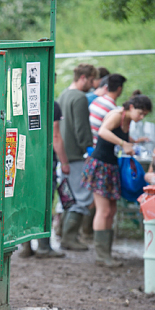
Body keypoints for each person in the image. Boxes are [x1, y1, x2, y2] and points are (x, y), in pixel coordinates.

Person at [81, 92, 152, 267]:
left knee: (111, 210)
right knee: (103, 210)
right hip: (101, 166)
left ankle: (107, 253)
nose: (141, 117)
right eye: (140, 113)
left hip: (112, 167)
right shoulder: (115, 115)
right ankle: (101, 256)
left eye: (145, 115)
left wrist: (134, 141)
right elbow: (103, 131)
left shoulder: (127, 120)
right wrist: (124, 144)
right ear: (131, 107)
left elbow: (120, 136)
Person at [20, 101, 70, 259]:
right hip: (44, 159)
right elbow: (55, 136)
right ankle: (43, 247)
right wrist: (65, 161)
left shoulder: (19, 99)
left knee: (25, 199)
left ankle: (25, 245)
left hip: (22, 156)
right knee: (45, 199)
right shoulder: (51, 104)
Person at [57, 63, 97, 251]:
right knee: (81, 197)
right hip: (76, 155)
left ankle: (64, 233)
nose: (92, 85)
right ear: (83, 78)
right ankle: (69, 238)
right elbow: (82, 128)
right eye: (90, 80)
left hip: (63, 153)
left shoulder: (63, 94)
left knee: (68, 196)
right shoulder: (80, 97)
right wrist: (88, 149)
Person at [89, 74, 127, 147]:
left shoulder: (97, 100)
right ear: (119, 89)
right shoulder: (113, 110)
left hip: (89, 142)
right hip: (96, 145)